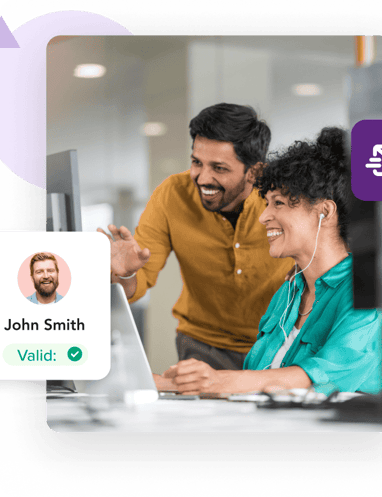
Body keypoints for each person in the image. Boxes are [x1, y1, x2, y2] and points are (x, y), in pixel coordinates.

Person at [159, 127, 382, 395]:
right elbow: (256, 378)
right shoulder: (288, 292)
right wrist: (166, 383)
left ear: (325, 212)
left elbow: (316, 378)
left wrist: (214, 380)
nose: (263, 217)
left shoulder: (367, 292)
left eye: (277, 203)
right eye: (266, 203)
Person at [99, 103, 294, 371]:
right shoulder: (172, 195)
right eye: (196, 163)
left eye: (219, 168)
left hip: (278, 343)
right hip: (204, 344)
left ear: (254, 172)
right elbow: (139, 280)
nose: (203, 178)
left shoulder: (287, 198)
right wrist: (125, 274)